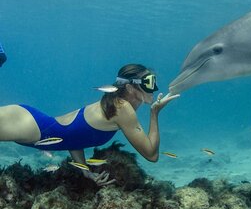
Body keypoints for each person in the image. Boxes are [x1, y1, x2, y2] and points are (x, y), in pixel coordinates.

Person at [0, 64, 180, 186]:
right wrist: (154, 114)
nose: (155, 88)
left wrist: (85, 171)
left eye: (154, 81)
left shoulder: (113, 104)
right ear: (131, 88)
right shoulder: (122, 108)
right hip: (30, 125)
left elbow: (74, 138)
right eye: (149, 82)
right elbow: (151, 154)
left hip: (33, 125)